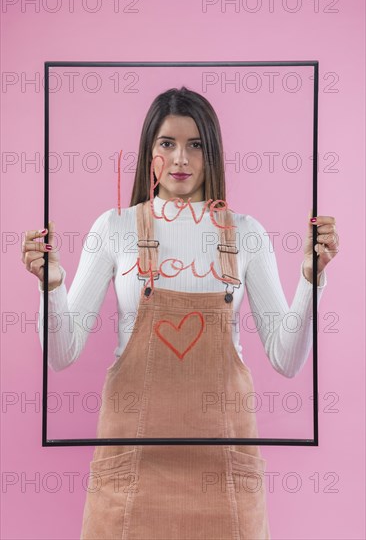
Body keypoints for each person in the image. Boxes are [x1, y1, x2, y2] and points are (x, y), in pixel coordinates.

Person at [21, 87, 339, 539]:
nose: (181, 159)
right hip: (132, 464)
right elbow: (61, 353)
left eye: (196, 145)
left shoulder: (246, 234)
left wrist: (310, 278)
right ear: (149, 151)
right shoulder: (115, 227)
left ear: (213, 153)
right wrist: (51, 284)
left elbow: (287, 359)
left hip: (221, 467)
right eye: (167, 144)